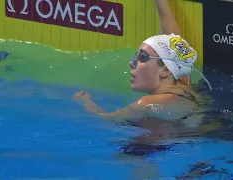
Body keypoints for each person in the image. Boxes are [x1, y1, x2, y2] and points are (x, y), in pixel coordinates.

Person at [74, 0, 212, 126]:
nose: (132, 63)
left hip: (169, 146)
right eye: (136, 57)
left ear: (165, 70)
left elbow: (104, 119)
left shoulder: (144, 104)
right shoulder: (184, 86)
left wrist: (86, 102)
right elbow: (174, 39)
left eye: (143, 57)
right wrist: (161, 3)